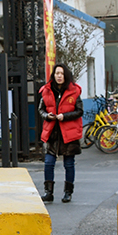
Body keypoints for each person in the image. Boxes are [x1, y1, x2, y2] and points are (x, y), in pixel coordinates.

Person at [38, 63, 84, 201]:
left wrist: (65, 116)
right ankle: (48, 192)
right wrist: (47, 116)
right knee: (48, 163)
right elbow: (41, 109)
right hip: (53, 133)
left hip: (69, 134)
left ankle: (68, 192)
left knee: (69, 164)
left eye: (62, 73)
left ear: (66, 75)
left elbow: (80, 111)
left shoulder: (74, 91)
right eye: (57, 73)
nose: (59, 76)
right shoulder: (46, 90)